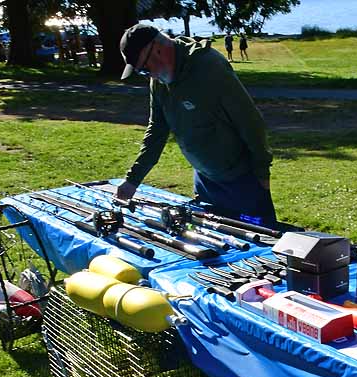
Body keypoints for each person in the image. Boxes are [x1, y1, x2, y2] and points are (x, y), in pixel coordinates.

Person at [117, 23, 277, 226]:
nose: (149, 76)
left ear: (157, 49)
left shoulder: (209, 67)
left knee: (260, 234)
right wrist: (132, 180)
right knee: (211, 234)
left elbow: (250, 121)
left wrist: (262, 171)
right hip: (204, 179)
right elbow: (156, 130)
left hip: (240, 180)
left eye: (145, 69)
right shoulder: (158, 82)